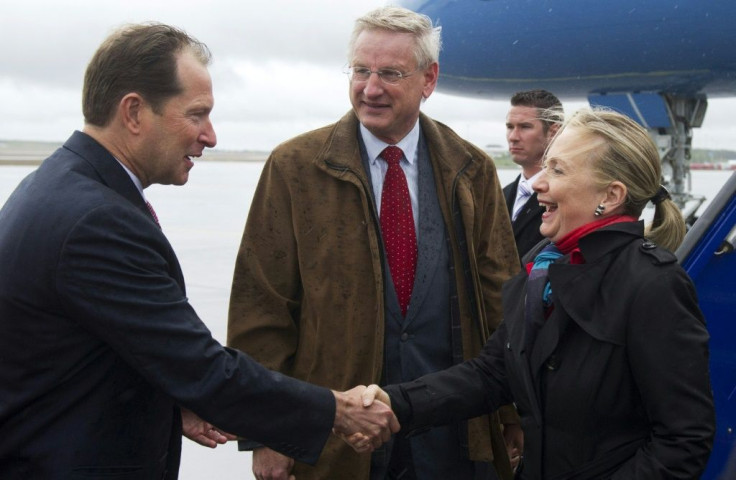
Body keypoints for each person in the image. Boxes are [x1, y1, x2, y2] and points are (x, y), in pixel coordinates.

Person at [0, 23, 399, 480]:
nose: (210, 136)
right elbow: (202, 366)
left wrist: (172, 395)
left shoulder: (58, 186)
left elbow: (101, 349)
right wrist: (337, 408)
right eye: (196, 114)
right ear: (133, 112)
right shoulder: (97, 222)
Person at [226, 6, 521, 480]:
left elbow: (502, 301)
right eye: (361, 70)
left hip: (451, 437)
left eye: (390, 73)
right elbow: (261, 310)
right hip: (333, 439)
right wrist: (266, 432)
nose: (371, 87)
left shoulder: (472, 171)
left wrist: (509, 413)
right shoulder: (294, 168)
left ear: (429, 79)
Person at [359, 108, 716, 479]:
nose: (537, 183)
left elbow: (684, 440)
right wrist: (394, 403)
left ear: (610, 196)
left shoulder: (653, 284)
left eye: (558, 170)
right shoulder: (541, 267)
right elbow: (493, 374)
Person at [503, 90, 563, 261]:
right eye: (510, 127)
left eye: (525, 127)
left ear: (554, 132)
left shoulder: (566, 198)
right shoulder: (499, 195)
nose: (513, 137)